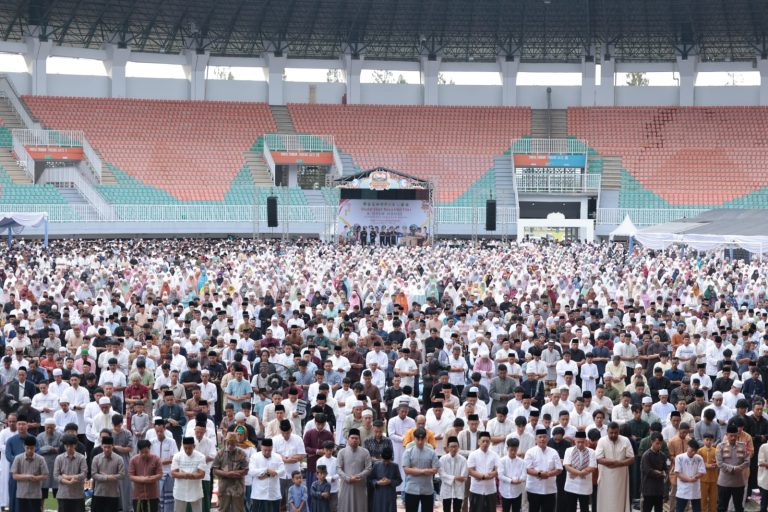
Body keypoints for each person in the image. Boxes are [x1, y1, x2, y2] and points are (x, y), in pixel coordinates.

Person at [595, 422, 634, 512]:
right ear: (607, 431)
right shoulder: (602, 440)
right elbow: (598, 459)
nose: (613, 435)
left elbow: (632, 459)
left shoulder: (625, 440)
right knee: (606, 499)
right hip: (605, 475)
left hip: (621, 475)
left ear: (619, 431)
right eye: (611, 433)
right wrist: (612, 461)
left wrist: (619, 463)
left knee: (619, 499)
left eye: (615, 433)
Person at [524, 428, 562, 512]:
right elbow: (527, 469)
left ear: (548, 438)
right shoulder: (530, 452)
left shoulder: (553, 452)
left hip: (550, 489)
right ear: (536, 439)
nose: (542, 439)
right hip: (533, 489)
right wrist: (539, 474)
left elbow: (559, 469)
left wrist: (548, 474)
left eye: (544, 437)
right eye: (540, 437)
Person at [716, 424, 750, 512]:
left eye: (735, 435)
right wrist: (734, 468)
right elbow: (719, 463)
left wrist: (739, 468)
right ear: (726, 435)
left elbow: (747, 461)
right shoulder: (720, 446)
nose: (733, 438)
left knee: (739, 507)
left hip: (738, 483)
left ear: (737, 435)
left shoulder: (743, 446)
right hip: (724, 483)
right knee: (722, 507)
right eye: (731, 435)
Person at [337, 428, 372, 512]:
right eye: (352, 438)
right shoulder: (342, 452)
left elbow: (369, 468)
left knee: (360, 507)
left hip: (359, 485)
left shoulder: (365, 452)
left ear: (359, 440)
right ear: (348, 439)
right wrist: (348, 478)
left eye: (356, 438)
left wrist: (357, 476)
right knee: (345, 507)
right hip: (346, 485)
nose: (354, 440)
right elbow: (338, 468)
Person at [213, 432, 250, 512]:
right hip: (224, 487)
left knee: (238, 509)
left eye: (233, 444)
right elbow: (215, 470)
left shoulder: (242, 453)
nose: (230, 446)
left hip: (238, 488)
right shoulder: (220, 453)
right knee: (223, 509)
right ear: (226, 441)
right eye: (229, 443)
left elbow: (246, 470)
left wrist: (235, 474)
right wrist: (227, 474)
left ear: (237, 443)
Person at [10, 435, 47, 512]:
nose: (30, 450)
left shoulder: (41, 459)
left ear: (35, 447)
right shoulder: (18, 458)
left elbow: (45, 475)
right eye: (27, 448)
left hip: (35, 494)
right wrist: (27, 476)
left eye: (32, 448)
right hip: (21, 493)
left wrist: (36, 478)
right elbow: (14, 476)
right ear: (24, 446)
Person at [562, 431, 596, 512]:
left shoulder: (591, 452)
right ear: (574, 441)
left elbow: (592, 467)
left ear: (586, 441)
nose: (580, 444)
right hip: (571, 484)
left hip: (585, 484)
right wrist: (580, 473)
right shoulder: (569, 450)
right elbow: (567, 466)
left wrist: (578, 473)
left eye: (582, 442)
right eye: (578, 442)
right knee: (570, 508)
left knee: (584, 508)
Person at [171, 436, 207, 512]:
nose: (187, 450)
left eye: (189, 448)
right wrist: (185, 475)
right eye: (185, 448)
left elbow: (202, 474)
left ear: (194, 446)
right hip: (180, 490)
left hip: (195, 490)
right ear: (182, 446)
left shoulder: (201, 457)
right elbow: (173, 473)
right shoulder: (177, 456)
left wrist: (190, 475)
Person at [53, 434, 87, 512]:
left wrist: (67, 477)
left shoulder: (81, 458)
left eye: (71, 446)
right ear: (64, 446)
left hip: (78, 495)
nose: (69, 448)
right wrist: (68, 482)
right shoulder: (59, 458)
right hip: (63, 494)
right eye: (66, 446)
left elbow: (84, 474)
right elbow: (56, 476)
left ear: (75, 445)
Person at [249, 437, 285, 512]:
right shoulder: (255, 457)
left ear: (272, 448)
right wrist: (266, 470)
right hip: (259, 494)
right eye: (265, 450)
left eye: (269, 450)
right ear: (261, 447)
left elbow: (282, 471)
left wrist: (269, 474)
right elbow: (251, 471)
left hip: (274, 494)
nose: (267, 452)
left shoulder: (277, 457)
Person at [150, 418, 178, 512]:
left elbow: (174, 457)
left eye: (161, 431)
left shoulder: (171, 441)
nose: (159, 433)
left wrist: (159, 462)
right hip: (156, 475)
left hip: (168, 474)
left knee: (169, 499)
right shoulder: (151, 442)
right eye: (157, 431)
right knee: (158, 499)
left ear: (164, 429)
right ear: (155, 430)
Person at [467, 431, 499, 512]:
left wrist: (493, 473)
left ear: (490, 442)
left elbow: (499, 469)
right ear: (479, 442)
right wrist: (483, 476)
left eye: (487, 441)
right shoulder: (473, 454)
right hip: (476, 489)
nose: (485, 443)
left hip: (490, 489)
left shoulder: (494, 455)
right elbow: (470, 470)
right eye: (483, 441)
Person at [91, 436, 125, 511]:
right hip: (99, 492)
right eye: (105, 447)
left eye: (109, 447)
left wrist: (107, 476)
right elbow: (93, 474)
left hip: (113, 494)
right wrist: (107, 477)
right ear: (101, 446)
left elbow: (122, 475)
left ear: (112, 446)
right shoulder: (96, 458)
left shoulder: (119, 459)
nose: (106, 449)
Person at [129, 439, 164, 512]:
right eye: (142, 452)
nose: (144, 454)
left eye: (146, 452)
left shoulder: (156, 459)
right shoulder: (133, 460)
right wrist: (143, 479)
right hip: (138, 495)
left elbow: (160, 474)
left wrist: (151, 478)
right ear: (139, 450)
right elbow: (130, 476)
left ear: (149, 449)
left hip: (152, 495)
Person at [675, 438, 706, 512]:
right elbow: (678, 473)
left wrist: (696, 476)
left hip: (695, 488)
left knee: (697, 509)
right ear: (687, 447)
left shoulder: (699, 458)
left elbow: (702, 471)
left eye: (695, 451)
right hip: (683, 488)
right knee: (680, 509)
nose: (693, 452)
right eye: (691, 450)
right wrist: (689, 479)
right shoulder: (679, 457)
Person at [639, 432, 667, 512]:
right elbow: (647, 471)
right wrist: (659, 473)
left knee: (659, 509)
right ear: (652, 442)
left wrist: (664, 473)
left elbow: (665, 469)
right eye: (657, 443)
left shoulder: (662, 455)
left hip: (659, 489)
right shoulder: (646, 455)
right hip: (648, 489)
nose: (659, 446)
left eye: (660, 444)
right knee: (647, 509)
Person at [439, 436, 469, 512]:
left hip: (459, 488)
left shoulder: (463, 459)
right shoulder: (443, 459)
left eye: (455, 447)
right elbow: (442, 475)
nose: (453, 449)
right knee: (446, 509)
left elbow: (464, 477)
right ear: (448, 447)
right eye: (451, 447)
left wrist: (455, 478)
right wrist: (455, 478)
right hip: (446, 488)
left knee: (457, 509)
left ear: (458, 447)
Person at [36, 417, 61, 503]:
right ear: (44, 427)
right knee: (42, 491)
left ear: (55, 427)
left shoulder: (60, 436)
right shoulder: (40, 436)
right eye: (47, 427)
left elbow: (61, 449)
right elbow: (38, 449)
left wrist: (49, 449)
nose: (49, 429)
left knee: (58, 491)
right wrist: (51, 449)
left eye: (51, 427)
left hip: (56, 464)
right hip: (44, 464)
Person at [368, 447, 401, 512]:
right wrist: (377, 482)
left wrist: (390, 481)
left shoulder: (395, 466)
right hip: (378, 494)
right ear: (381, 456)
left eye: (387, 461)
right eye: (384, 460)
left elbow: (399, 480)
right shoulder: (376, 465)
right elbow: (370, 479)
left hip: (390, 494)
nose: (386, 462)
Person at [498, 438, 526, 512]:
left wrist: (519, 480)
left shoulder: (522, 462)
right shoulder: (502, 461)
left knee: (516, 510)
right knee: (505, 510)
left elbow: (524, 476)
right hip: (505, 491)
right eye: (511, 450)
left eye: (515, 450)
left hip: (517, 491)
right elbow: (500, 475)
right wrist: (511, 481)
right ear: (507, 449)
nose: (513, 452)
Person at [698, 433, 718, 512]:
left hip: (714, 478)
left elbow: (719, 461)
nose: (709, 442)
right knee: (703, 498)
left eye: (710, 440)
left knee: (713, 498)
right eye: (707, 440)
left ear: (713, 441)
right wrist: (706, 465)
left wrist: (716, 464)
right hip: (703, 478)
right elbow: (698, 464)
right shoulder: (700, 451)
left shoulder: (716, 450)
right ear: (703, 440)